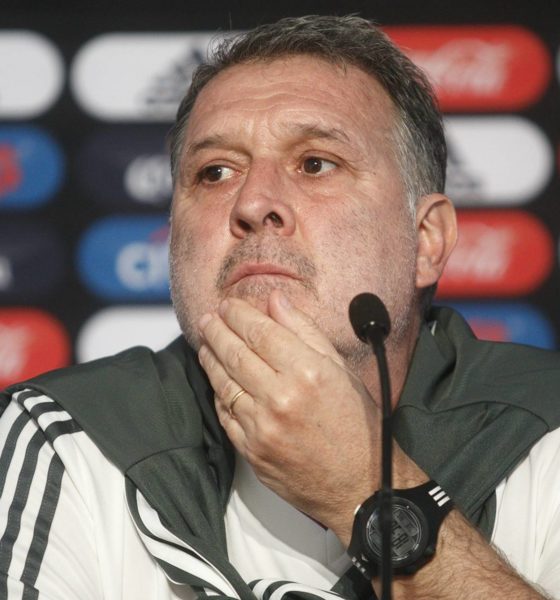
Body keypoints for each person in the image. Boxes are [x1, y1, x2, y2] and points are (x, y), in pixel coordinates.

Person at [1, 14, 559, 600]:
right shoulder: (69, 438)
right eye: (215, 172)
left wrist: (365, 488)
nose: (254, 202)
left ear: (426, 240)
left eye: (315, 163)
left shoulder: (545, 425)